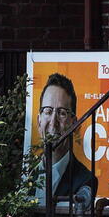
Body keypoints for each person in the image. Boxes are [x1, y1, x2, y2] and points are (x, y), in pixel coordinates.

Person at [34, 73, 97, 207]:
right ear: (39, 121)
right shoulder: (23, 174)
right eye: (48, 111)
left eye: (62, 113)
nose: (53, 122)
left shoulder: (85, 180)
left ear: (74, 124)